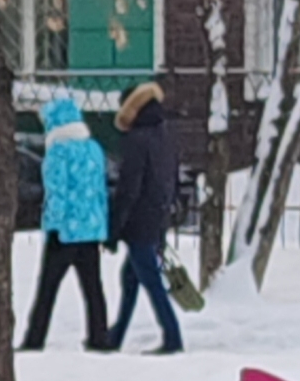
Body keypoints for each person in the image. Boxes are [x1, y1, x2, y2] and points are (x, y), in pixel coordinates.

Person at [20, 93, 110, 350]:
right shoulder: (94, 149)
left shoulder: (58, 152)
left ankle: (35, 339)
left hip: (65, 233)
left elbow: (56, 192)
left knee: (47, 288)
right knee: (93, 288)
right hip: (91, 230)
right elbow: (100, 191)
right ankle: (99, 337)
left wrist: (53, 223)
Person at [107, 79, 183, 352]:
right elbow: (172, 179)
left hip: (139, 221)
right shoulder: (165, 136)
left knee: (150, 281)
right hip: (158, 218)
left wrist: (114, 229)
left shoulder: (137, 141)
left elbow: (129, 189)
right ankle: (115, 336)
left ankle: (173, 337)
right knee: (131, 279)